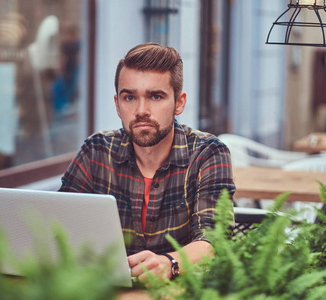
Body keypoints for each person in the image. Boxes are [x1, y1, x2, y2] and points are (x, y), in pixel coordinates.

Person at [59, 42, 235, 282]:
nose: (141, 110)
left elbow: (215, 239)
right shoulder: (97, 150)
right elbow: (59, 227)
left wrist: (171, 263)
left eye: (155, 96)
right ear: (117, 105)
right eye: (130, 97)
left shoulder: (208, 153)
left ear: (179, 103)